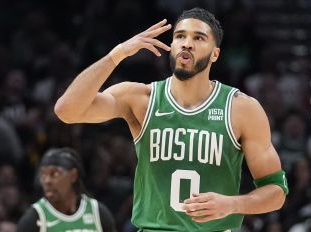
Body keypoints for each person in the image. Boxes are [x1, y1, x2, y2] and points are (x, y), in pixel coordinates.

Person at [54, 7, 288, 232]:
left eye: (199, 38)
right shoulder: (141, 98)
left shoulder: (241, 108)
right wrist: (118, 54)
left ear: (215, 53)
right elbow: (67, 111)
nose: (186, 43)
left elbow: (276, 191)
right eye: (180, 36)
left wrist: (232, 204)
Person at [16, 148, 116, 232]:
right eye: (43, 175)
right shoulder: (34, 219)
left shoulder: (97, 213)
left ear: (73, 175)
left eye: (54, 174)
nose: (47, 181)